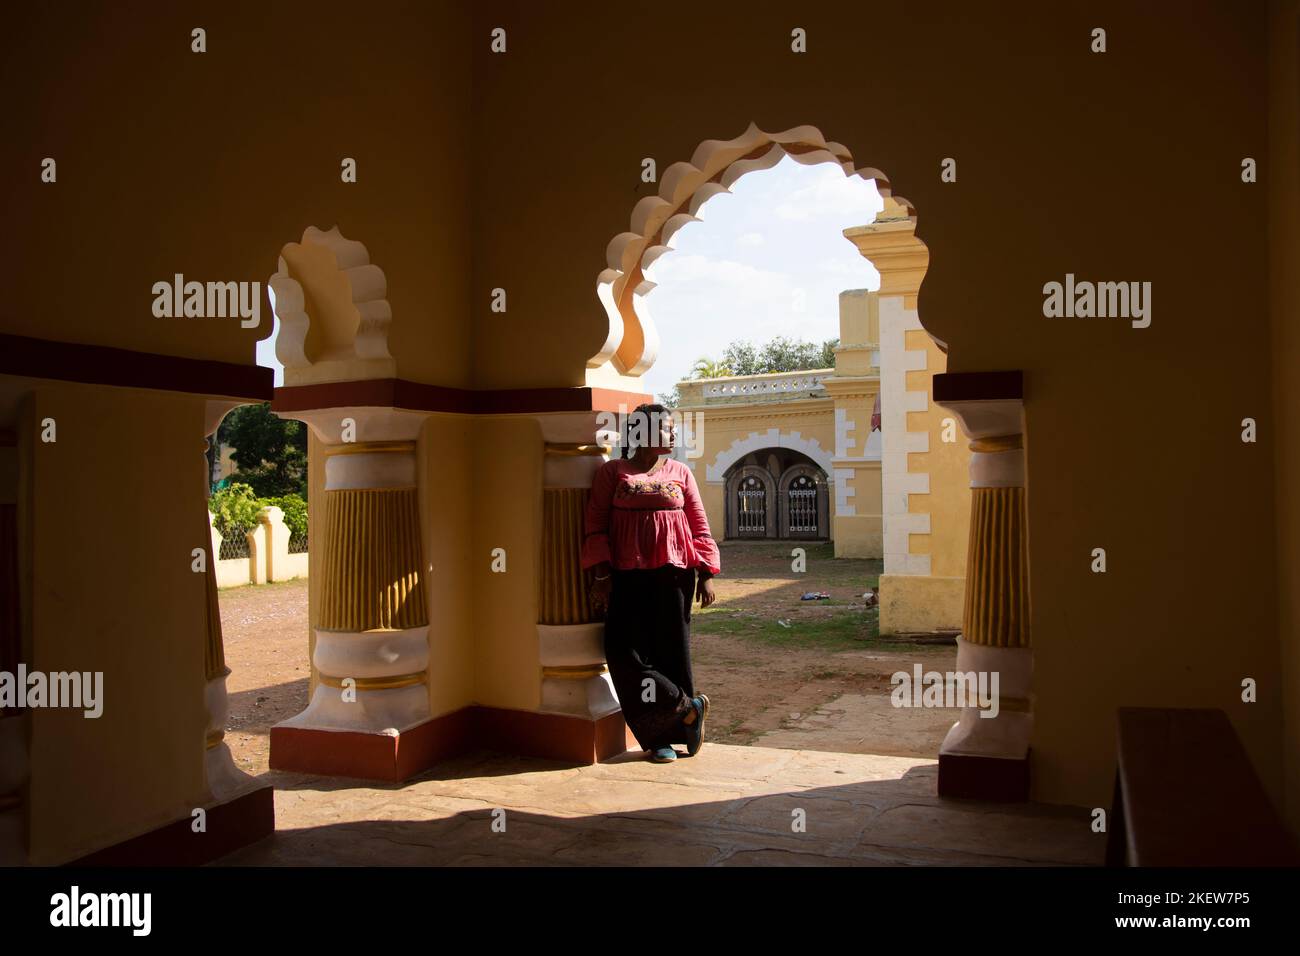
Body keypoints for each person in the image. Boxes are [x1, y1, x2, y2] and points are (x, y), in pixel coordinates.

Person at [582, 404, 721, 763]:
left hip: (674, 575)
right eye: (666, 429)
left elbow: (699, 524)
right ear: (642, 433)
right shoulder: (613, 472)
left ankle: (676, 735)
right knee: (623, 652)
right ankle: (682, 710)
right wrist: (601, 574)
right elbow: (595, 525)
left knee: (671, 650)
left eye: (673, 429)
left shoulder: (681, 472)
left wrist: (705, 573)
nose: (673, 436)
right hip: (627, 576)